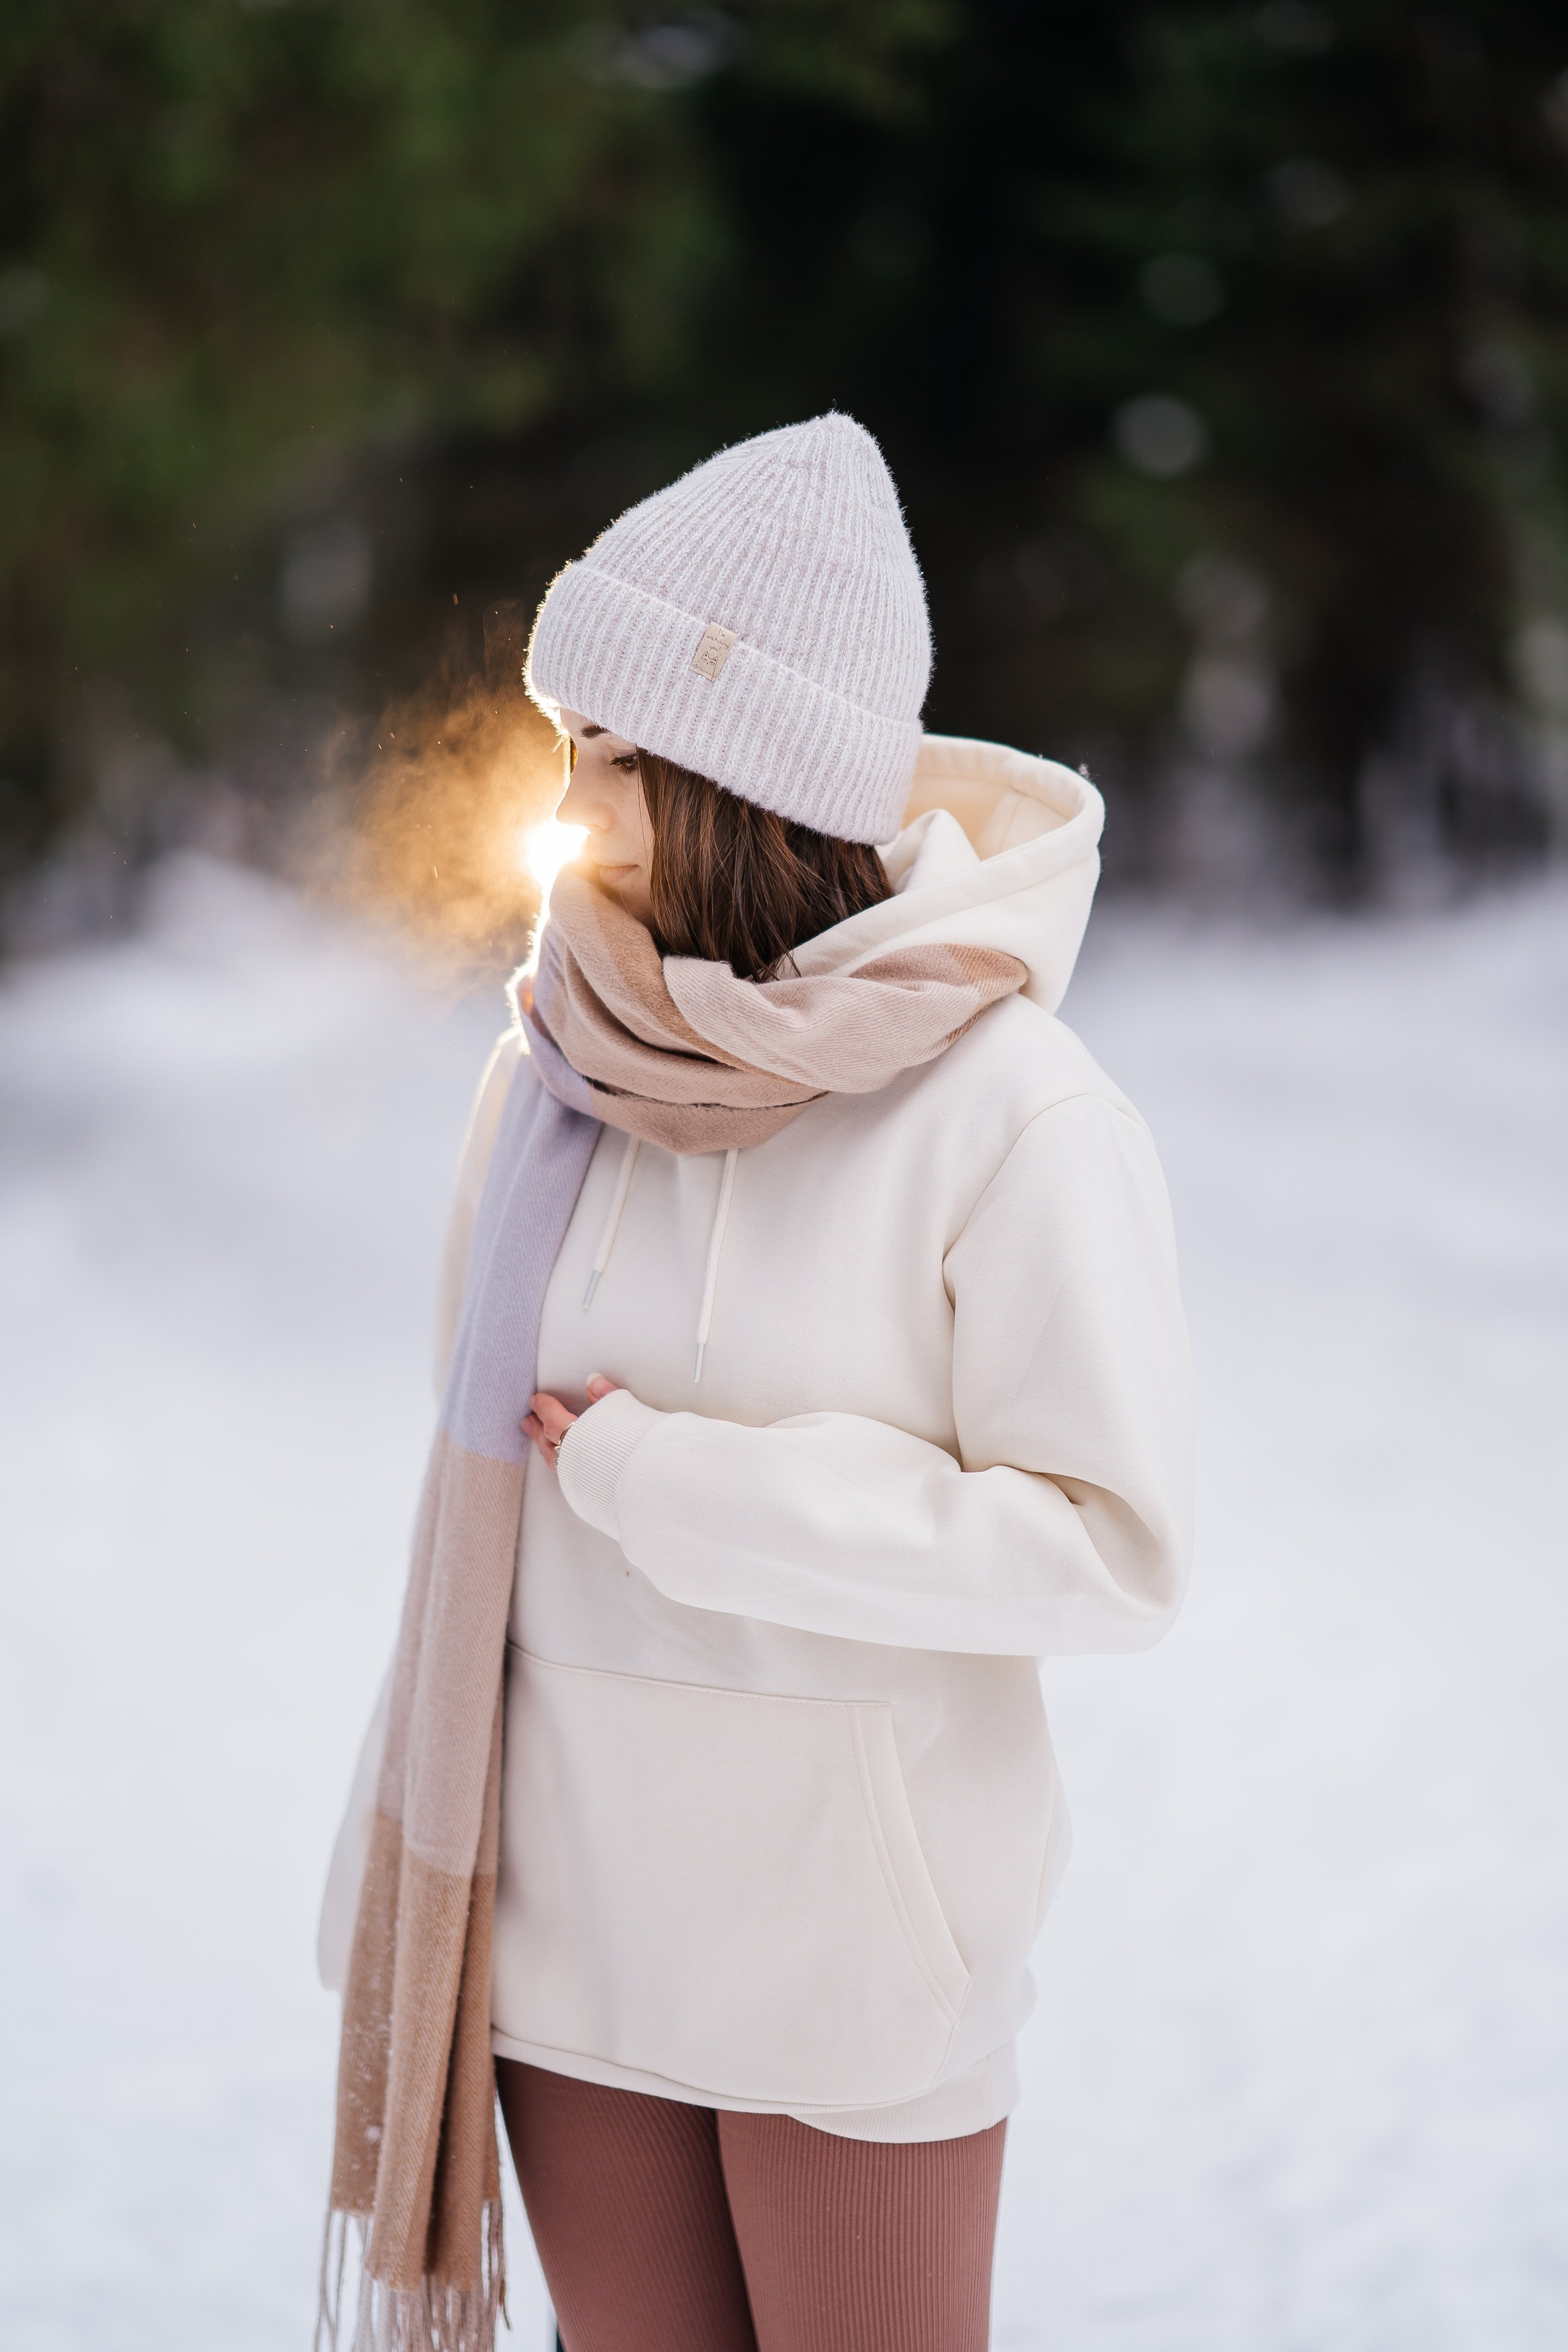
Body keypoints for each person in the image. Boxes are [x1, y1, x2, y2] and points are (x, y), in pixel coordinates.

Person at [316, 414, 1193, 2352]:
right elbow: (481, 1520)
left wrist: (679, 1490)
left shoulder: (1016, 1117)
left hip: (846, 1969)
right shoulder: (547, 1073)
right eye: (567, 755)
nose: (576, 821)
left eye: (616, 763)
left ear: (749, 781)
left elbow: (1109, 1551)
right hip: (564, 1941)